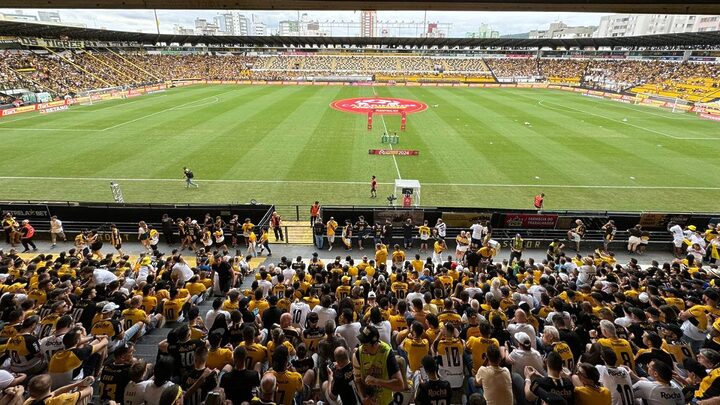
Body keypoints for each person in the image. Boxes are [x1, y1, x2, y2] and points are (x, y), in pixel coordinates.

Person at [353, 325, 404, 405]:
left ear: (375, 343)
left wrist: (377, 381)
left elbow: (400, 385)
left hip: (385, 402)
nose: (362, 347)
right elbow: (358, 381)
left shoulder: (387, 353)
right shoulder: (358, 354)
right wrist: (363, 398)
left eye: (365, 344)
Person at [24, 374, 94, 405]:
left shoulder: (29, 401)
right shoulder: (61, 399)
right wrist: (85, 383)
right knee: (89, 388)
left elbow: (54, 393)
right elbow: (87, 391)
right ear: (50, 386)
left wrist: (78, 384)